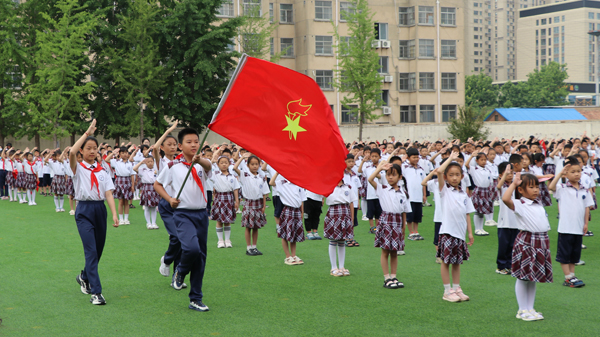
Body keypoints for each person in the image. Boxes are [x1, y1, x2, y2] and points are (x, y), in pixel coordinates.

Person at [155, 127, 213, 312]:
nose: (194, 144)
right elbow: (157, 184)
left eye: (196, 141)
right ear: (180, 146)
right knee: (191, 248)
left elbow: (210, 167)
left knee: (201, 258)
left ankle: (196, 298)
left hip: (202, 215)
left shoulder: (202, 164)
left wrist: (200, 160)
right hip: (183, 214)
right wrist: (169, 199)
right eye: (189, 142)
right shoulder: (172, 166)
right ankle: (180, 270)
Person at [71, 120, 119, 305]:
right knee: (90, 251)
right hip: (83, 209)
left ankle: (84, 275)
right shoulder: (78, 167)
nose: (92, 151)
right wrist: (86, 132)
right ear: (83, 150)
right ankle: (96, 293)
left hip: (100, 210)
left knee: (98, 251)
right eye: (88, 148)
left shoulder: (103, 170)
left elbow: (108, 192)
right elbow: (72, 152)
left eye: (95, 148)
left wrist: (114, 214)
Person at [502, 172, 552, 321]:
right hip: (527, 242)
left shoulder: (538, 203)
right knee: (523, 277)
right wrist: (514, 184)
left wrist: (534, 177)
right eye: (531, 187)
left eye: (537, 186)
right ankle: (522, 310)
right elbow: (505, 198)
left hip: (541, 241)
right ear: (521, 190)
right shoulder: (520, 204)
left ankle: (530, 308)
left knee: (533, 277)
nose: (536, 190)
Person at [548, 157, 593, 288]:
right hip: (566, 228)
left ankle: (572, 275)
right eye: (573, 172)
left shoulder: (584, 189)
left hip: (578, 228)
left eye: (578, 171)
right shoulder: (562, 188)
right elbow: (551, 187)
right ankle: (567, 277)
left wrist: (586, 224)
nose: (577, 174)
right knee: (564, 254)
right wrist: (559, 174)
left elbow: (587, 208)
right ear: (566, 174)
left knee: (574, 255)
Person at [436, 151, 475, 302]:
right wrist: (451, 159)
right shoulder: (444, 191)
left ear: (462, 176)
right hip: (447, 232)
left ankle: (457, 288)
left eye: (457, 174)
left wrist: (470, 233)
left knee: (457, 262)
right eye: (451, 175)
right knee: (446, 262)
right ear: (446, 177)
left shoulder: (464, 195)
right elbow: (439, 171)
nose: (454, 178)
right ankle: (447, 291)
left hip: (460, 233)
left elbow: (467, 214)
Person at [369, 161, 411, 289]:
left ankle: (393, 276)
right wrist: (379, 168)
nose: (390, 177)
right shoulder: (383, 189)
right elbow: (370, 179)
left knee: (394, 252)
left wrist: (403, 227)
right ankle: (386, 277)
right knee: (385, 251)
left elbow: (404, 211)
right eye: (388, 174)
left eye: (393, 175)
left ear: (400, 177)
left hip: (397, 222)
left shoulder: (403, 193)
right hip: (386, 221)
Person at [152, 122, 185, 284]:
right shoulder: (162, 162)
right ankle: (166, 260)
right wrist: (169, 130)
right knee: (176, 237)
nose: (172, 147)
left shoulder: (180, 161)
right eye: (169, 145)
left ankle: (177, 276)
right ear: (163, 147)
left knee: (182, 241)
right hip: (166, 204)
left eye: (174, 145)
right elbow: (154, 149)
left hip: (181, 205)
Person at [234, 153, 269, 256]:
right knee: (248, 226)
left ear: (259, 165)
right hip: (249, 203)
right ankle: (248, 248)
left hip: (258, 204)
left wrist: (264, 206)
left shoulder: (261, 177)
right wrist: (242, 158)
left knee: (256, 227)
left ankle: (254, 246)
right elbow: (235, 168)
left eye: (256, 164)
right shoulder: (244, 175)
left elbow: (264, 194)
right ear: (248, 165)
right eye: (252, 164)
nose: (254, 166)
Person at [270, 172, 305, 266]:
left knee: (294, 234)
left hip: (297, 211)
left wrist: (302, 212)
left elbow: (302, 199)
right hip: (287, 210)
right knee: (285, 234)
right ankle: (287, 256)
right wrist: (277, 172)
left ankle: (293, 255)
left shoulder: (299, 184)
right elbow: (271, 183)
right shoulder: (282, 183)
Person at [324, 179, 357, 277]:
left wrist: (351, 219)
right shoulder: (329, 184)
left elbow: (351, 203)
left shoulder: (348, 186)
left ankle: (342, 267)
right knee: (333, 240)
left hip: (345, 213)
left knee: (342, 240)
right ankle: (333, 267)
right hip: (333, 213)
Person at [212, 155, 240, 248]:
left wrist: (237, 201)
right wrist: (213, 160)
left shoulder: (232, 176)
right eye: (221, 163)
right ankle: (220, 240)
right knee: (219, 220)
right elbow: (207, 169)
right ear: (218, 164)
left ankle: (227, 240)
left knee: (228, 220)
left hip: (229, 198)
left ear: (229, 164)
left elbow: (235, 189)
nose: (224, 164)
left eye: (226, 162)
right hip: (219, 198)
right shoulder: (215, 174)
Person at [495, 162, 518, 275]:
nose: (510, 175)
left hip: (515, 222)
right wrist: (504, 176)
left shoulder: (516, 187)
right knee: (504, 245)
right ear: (501, 175)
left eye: (512, 173)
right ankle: (501, 266)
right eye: (507, 173)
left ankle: (510, 265)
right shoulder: (502, 187)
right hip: (504, 222)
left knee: (513, 245)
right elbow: (498, 186)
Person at [466, 151, 493, 236]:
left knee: (482, 211)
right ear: (477, 161)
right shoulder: (474, 169)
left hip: (486, 191)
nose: (484, 161)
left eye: (485, 160)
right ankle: (477, 229)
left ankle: (481, 228)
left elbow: (490, 181)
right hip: (478, 191)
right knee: (478, 211)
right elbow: (466, 165)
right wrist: (471, 156)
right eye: (481, 160)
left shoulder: (487, 169)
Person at [403, 148, 426, 240]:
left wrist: (424, 195)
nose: (416, 159)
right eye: (413, 157)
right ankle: (410, 232)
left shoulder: (421, 169)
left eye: (417, 157)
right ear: (408, 158)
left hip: (418, 196)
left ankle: (416, 231)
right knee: (410, 216)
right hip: (410, 196)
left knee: (417, 216)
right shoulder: (405, 168)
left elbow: (424, 183)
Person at [422, 167, 443, 263]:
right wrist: (432, 173)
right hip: (439, 215)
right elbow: (423, 183)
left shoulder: (450, 184)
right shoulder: (435, 183)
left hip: (449, 215)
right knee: (437, 237)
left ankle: (447, 254)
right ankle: (439, 255)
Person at [134, 156, 160, 229]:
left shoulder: (156, 170)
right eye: (148, 162)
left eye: (151, 161)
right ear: (146, 163)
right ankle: (148, 223)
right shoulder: (143, 170)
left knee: (154, 207)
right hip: (146, 188)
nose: (150, 163)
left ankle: (154, 223)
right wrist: (141, 162)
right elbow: (134, 169)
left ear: (153, 162)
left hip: (155, 188)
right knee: (147, 207)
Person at [359, 148, 382, 234]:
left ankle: (378, 227)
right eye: (372, 156)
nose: (374, 158)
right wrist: (363, 161)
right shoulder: (368, 167)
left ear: (380, 157)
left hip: (380, 194)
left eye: (376, 156)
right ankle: (372, 227)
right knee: (370, 212)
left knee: (378, 212)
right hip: (370, 194)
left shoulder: (382, 167)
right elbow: (359, 171)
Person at [111, 147, 135, 225]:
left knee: (126, 201)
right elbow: (107, 160)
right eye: (122, 153)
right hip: (119, 181)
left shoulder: (130, 163)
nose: (125, 154)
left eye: (126, 152)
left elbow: (132, 175)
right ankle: (121, 219)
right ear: (120, 154)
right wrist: (113, 153)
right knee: (121, 201)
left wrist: (133, 186)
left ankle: (126, 219)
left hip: (127, 181)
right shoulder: (116, 162)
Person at [343, 154, 361, 247]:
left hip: (353, 202)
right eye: (349, 161)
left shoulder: (355, 175)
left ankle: (351, 237)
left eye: (352, 161)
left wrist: (358, 202)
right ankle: (346, 238)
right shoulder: (342, 174)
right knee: (346, 220)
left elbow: (357, 189)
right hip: (345, 201)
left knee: (353, 220)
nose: (351, 163)